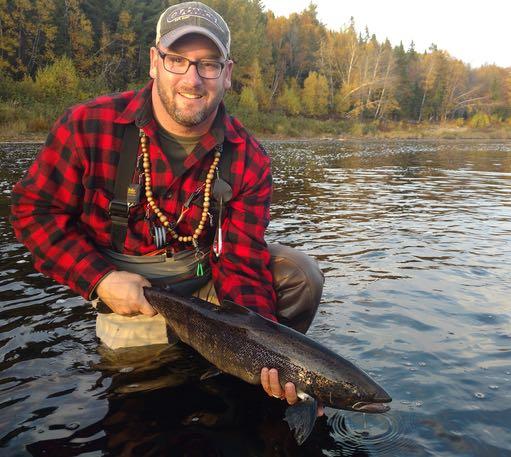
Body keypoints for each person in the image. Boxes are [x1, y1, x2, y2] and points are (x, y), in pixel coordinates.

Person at [10, 2, 323, 409]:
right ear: (154, 63)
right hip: (127, 290)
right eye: (178, 60)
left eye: (209, 64)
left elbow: (241, 262)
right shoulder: (88, 125)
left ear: (227, 74)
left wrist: (264, 352)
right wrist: (100, 280)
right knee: (146, 398)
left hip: (206, 282)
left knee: (301, 275)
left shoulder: (249, 158)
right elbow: (33, 212)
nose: (193, 79)